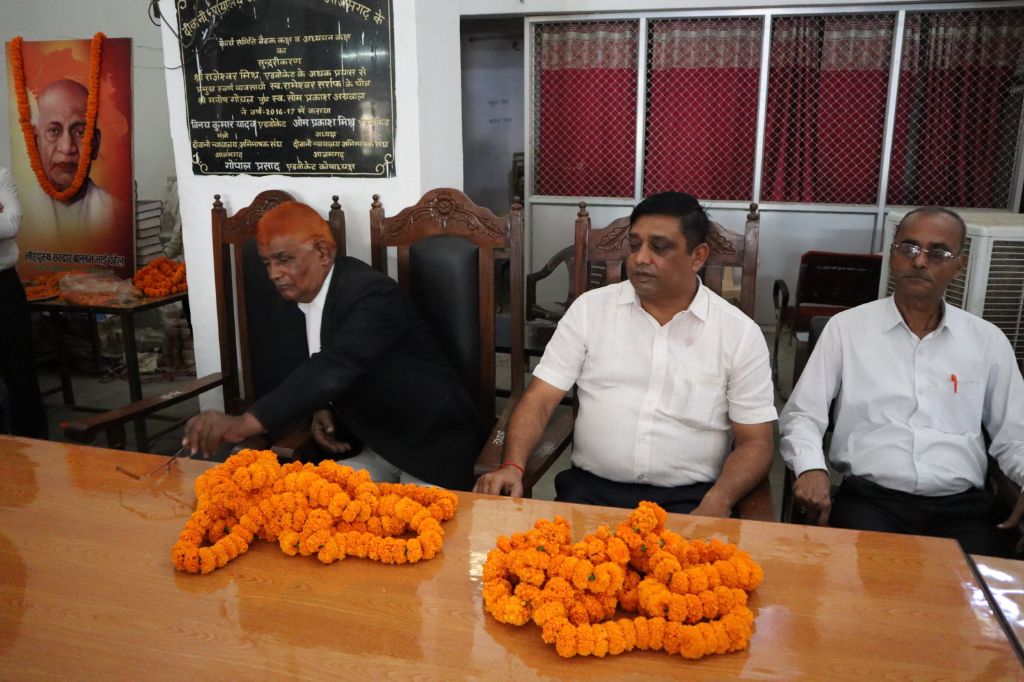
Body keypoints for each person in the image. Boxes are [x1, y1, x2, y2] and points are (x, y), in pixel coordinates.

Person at [474, 192, 776, 516]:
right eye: (634, 245)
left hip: (690, 503)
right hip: (589, 496)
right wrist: (512, 466)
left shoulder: (738, 334)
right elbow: (539, 400)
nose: (640, 258)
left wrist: (720, 500)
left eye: (659, 247)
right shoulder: (590, 310)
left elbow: (756, 441)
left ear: (697, 256)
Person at [182, 200, 482, 489]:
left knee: (402, 522)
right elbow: (320, 368)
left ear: (323, 252)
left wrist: (244, 424)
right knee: (306, 502)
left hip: (433, 449)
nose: (273, 274)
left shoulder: (371, 293)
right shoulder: (296, 298)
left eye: (284, 260)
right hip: (377, 446)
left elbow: (335, 365)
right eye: (267, 263)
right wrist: (323, 407)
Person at [780, 206, 1024, 555]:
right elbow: (803, 415)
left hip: (963, 506)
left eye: (938, 252)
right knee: (869, 579)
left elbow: (1015, 435)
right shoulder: (847, 330)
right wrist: (810, 468)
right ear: (892, 254)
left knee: (980, 583)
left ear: (959, 265)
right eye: (908, 247)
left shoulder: (987, 341)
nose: (919, 261)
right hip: (871, 501)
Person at [24, 79, 115, 233]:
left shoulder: (118, 215)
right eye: (54, 131)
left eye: (80, 132)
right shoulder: (18, 210)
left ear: (95, 144)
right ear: (35, 142)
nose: (66, 148)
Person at [0, 166, 48, 438]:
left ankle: (33, 446)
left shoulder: (1, 175)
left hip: (4, 287)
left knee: (20, 372)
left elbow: (11, 224)